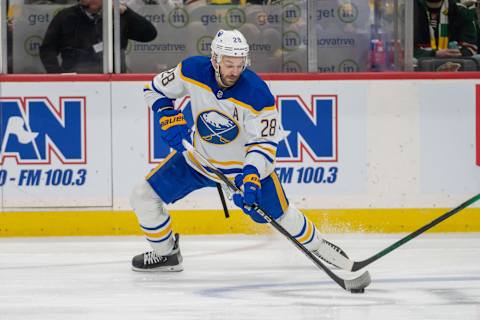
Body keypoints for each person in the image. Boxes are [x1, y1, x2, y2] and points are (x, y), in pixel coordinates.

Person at [129, 29, 352, 272]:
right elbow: (154, 89)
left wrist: (252, 176)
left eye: (239, 64)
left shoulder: (257, 94)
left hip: (241, 170)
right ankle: (166, 254)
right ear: (215, 59)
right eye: (229, 64)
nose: (235, 71)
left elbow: (264, 144)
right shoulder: (192, 70)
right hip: (198, 160)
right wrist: (165, 114)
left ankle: (320, 247)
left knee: (282, 216)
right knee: (143, 196)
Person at [39, 0, 157, 73]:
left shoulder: (118, 16)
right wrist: (57, 76)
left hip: (114, 81)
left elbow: (148, 34)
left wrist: (126, 12)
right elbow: (48, 49)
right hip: (75, 82)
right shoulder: (65, 16)